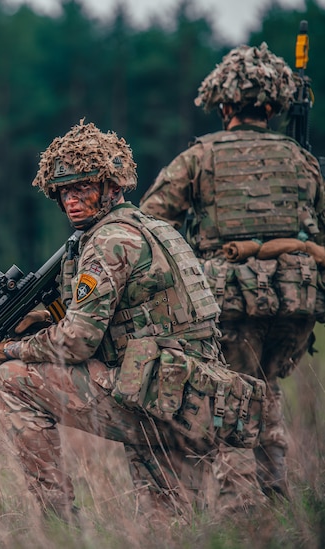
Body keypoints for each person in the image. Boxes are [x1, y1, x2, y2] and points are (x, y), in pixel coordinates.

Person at [0, 121, 265, 522]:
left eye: (84, 187)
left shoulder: (107, 241)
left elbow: (78, 341)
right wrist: (43, 319)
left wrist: (5, 350)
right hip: (192, 398)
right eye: (64, 191)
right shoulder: (157, 230)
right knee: (166, 523)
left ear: (112, 187)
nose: (72, 200)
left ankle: (59, 521)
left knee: (11, 379)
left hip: (157, 398)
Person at [139, 43, 325, 499]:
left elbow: (149, 221)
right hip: (295, 303)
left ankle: (243, 504)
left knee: (236, 396)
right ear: (272, 105)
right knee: (263, 390)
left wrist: (188, 270)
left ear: (223, 104)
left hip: (229, 304)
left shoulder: (200, 157)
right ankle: (275, 495)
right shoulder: (301, 160)